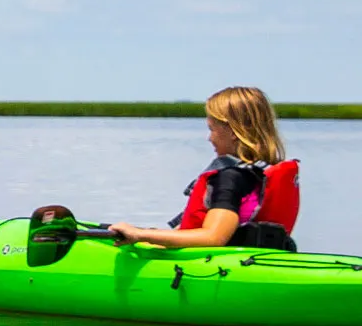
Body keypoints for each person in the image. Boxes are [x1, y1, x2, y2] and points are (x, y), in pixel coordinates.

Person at [119, 85, 302, 251]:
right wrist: (146, 234)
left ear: (232, 132)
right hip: (253, 260)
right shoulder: (258, 174)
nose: (210, 138)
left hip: (210, 268)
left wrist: (140, 235)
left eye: (212, 129)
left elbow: (213, 237)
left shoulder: (231, 178)